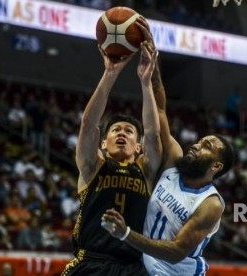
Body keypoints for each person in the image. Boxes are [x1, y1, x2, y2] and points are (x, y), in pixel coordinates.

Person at [101, 20, 236, 275]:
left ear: (216, 166)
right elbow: (161, 109)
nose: (196, 145)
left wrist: (127, 234)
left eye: (206, 146)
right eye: (199, 141)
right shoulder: (174, 161)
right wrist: (152, 66)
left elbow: (175, 251)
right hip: (143, 267)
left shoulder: (210, 204)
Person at [61, 25, 162, 275]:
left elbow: (153, 133)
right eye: (115, 130)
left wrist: (146, 82)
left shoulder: (145, 169)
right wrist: (110, 73)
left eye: (129, 131)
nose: (121, 133)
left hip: (133, 266)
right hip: (91, 262)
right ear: (103, 143)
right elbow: (89, 125)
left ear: (138, 146)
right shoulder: (92, 166)